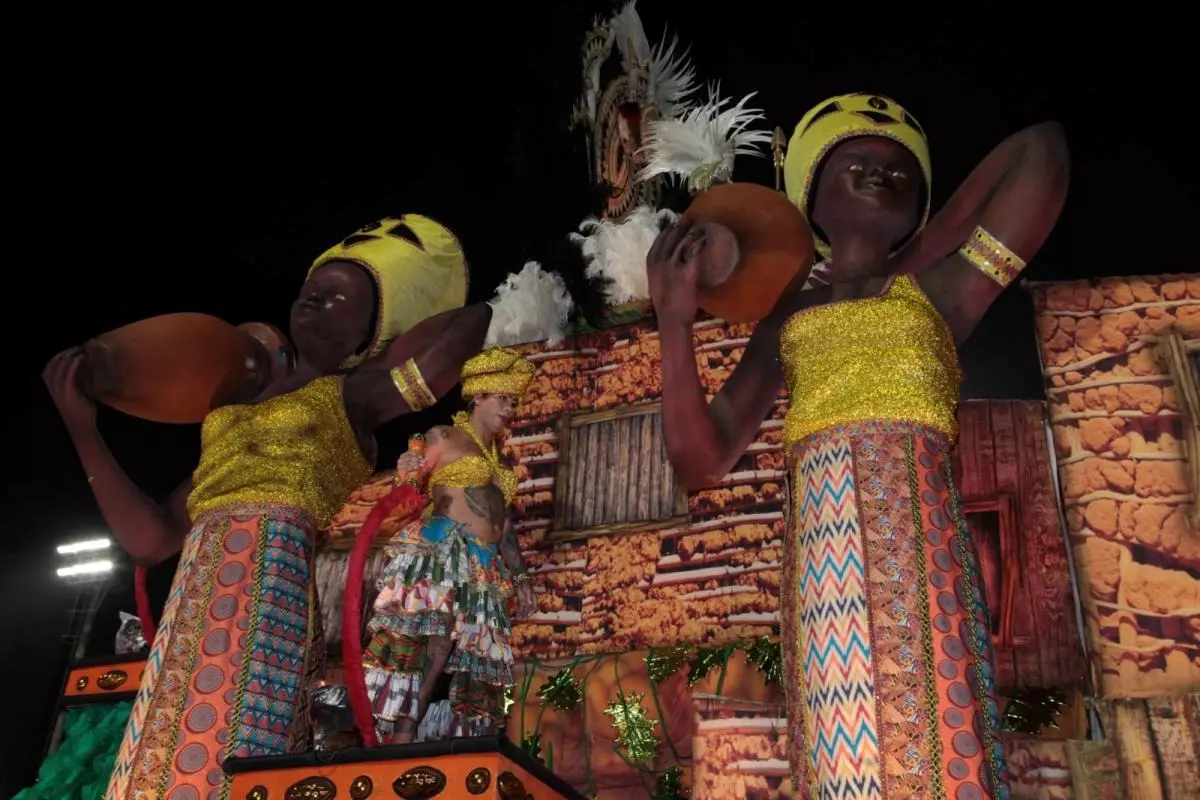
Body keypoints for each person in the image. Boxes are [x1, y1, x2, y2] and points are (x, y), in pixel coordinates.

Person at [647, 93, 1069, 799]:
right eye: (857, 162)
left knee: (940, 736)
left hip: (922, 550)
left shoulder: (943, 290)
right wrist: (673, 321)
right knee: (847, 757)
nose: (879, 172)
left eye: (898, 168)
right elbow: (700, 460)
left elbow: (1043, 146)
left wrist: (913, 252)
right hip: (825, 564)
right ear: (812, 194)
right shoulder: (790, 316)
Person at [43, 215, 497, 800]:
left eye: (340, 299)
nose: (315, 300)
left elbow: (466, 323)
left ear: (370, 333)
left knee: (238, 740)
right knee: (157, 745)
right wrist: (84, 429)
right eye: (312, 291)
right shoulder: (229, 426)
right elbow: (151, 539)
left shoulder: (354, 396)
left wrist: (407, 299)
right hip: (193, 591)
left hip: (269, 579)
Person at [360, 347, 537, 744]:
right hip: (445, 550)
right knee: (437, 642)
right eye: (503, 399)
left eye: (514, 402)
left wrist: (522, 577)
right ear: (478, 397)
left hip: (485, 563)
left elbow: (504, 526)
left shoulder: (504, 463)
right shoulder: (445, 436)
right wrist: (407, 469)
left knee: (477, 656)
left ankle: (465, 741)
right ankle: (401, 734)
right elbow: (411, 487)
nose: (510, 409)